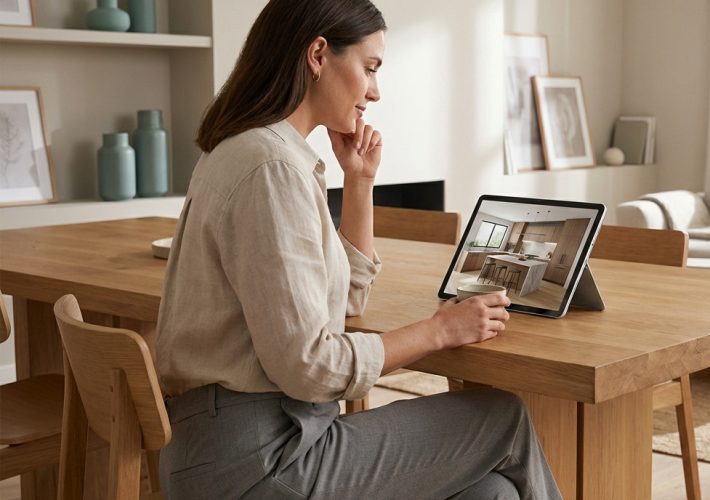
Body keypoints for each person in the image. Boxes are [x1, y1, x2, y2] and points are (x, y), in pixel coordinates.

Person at [154, 0, 561, 498]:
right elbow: (311, 366)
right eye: (369, 68)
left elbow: (340, 306)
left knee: (491, 493)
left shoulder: (250, 151)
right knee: (503, 417)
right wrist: (440, 329)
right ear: (318, 54)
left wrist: (359, 183)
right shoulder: (270, 168)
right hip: (261, 460)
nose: (375, 91)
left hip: (236, 449)